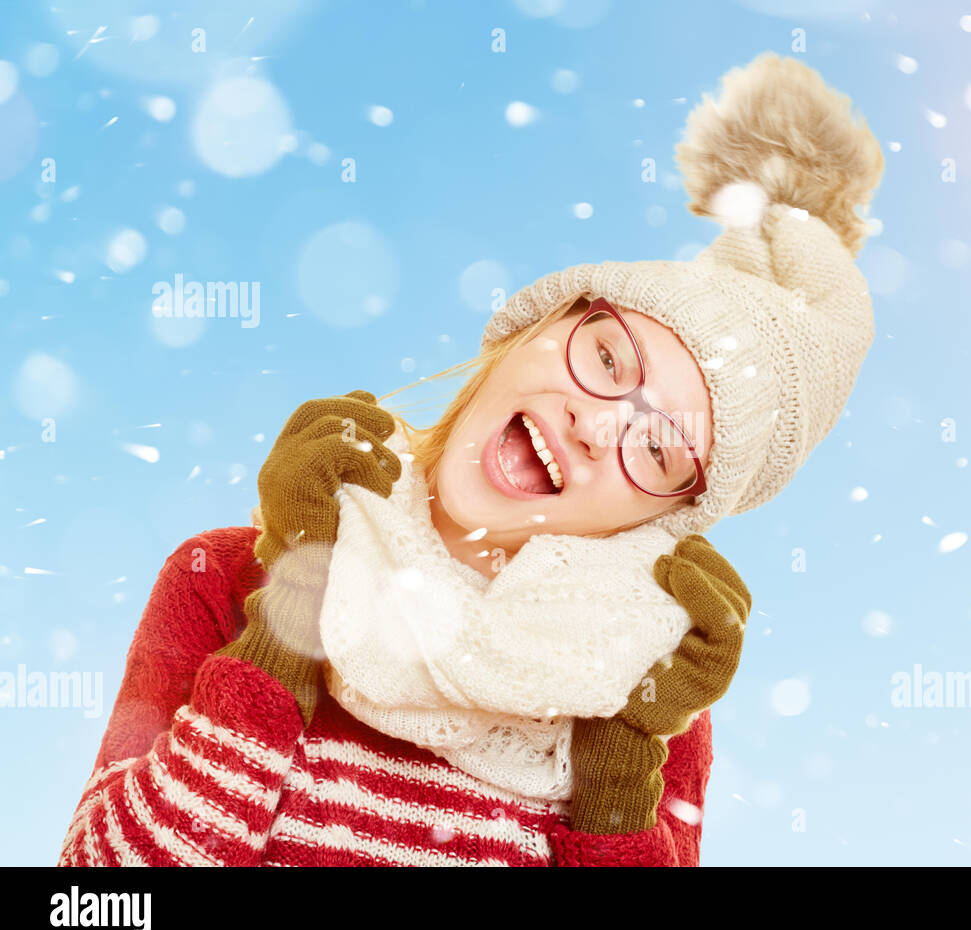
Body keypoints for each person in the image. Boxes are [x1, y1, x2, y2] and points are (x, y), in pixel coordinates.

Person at [55, 50, 883, 866]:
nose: (600, 427)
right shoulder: (225, 579)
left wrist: (616, 782)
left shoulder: (638, 691)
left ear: (661, 519)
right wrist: (288, 620)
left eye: (660, 447)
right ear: (534, 329)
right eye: (606, 361)